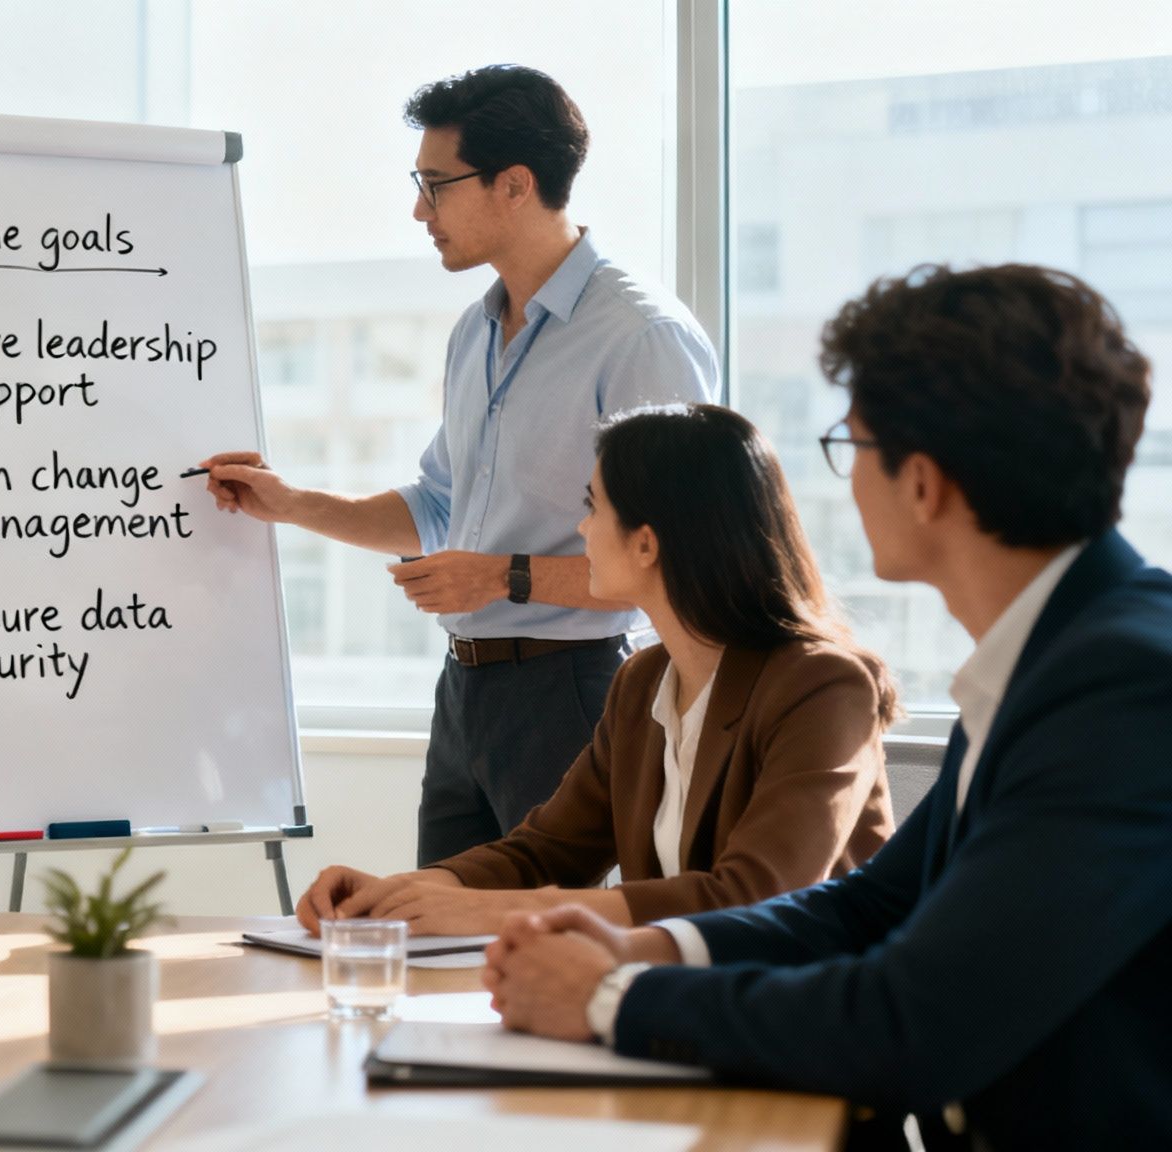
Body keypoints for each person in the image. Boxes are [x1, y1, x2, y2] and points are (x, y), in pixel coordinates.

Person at [482, 265, 1171, 1151]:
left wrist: (609, 999)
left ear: (922, 483)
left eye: (854, 445)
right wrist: (646, 950)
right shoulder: (1045, 660)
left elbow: (913, 1023)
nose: (845, 484)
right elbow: (868, 908)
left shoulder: (1124, 687)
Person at [202, 64, 718, 866]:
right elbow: (437, 506)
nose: (420, 210)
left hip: (575, 690)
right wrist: (290, 503)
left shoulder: (640, 337)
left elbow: (679, 566)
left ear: (514, 185)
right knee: (436, 926)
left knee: (553, 935)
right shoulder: (474, 333)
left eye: (436, 185)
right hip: (464, 694)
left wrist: (501, 577)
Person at [297, 404, 897, 936]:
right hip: (682, 999)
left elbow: (754, 897)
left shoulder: (825, 686)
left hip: (804, 1010)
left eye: (593, 507)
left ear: (646, 544)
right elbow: (545, 852)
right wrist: (400, 893)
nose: (582, 528)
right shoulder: (642, 683)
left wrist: (488, 912)